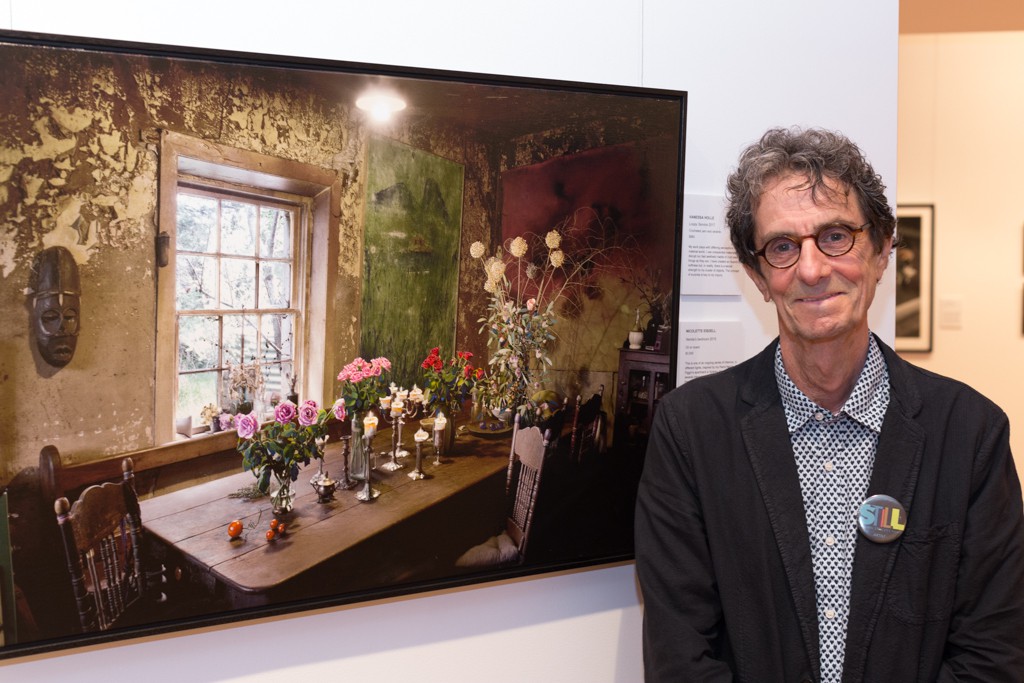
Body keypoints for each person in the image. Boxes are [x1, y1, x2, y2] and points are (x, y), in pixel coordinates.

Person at [634, 127, 1024, 682]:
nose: (813, 270)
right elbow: (681, 657)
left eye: (835, 236)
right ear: (758, 275)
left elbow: (993, 655)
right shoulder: (691, 432)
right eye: (783, 247)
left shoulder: (970, 434)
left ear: (883, 249)